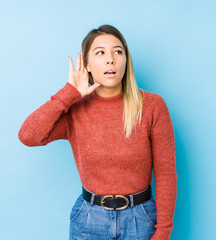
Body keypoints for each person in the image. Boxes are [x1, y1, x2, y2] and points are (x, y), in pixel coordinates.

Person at [18, 24, 178, 240]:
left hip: (140, 220)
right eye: (100, 52)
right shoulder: (75, 109)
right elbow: (28, 135)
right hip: (88, 221)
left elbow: (165, 173)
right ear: (87, 65)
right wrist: (69, 92)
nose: (110, 59)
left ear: (125, 61)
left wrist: (164, 231)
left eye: (118, 51)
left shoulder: (152, 106)